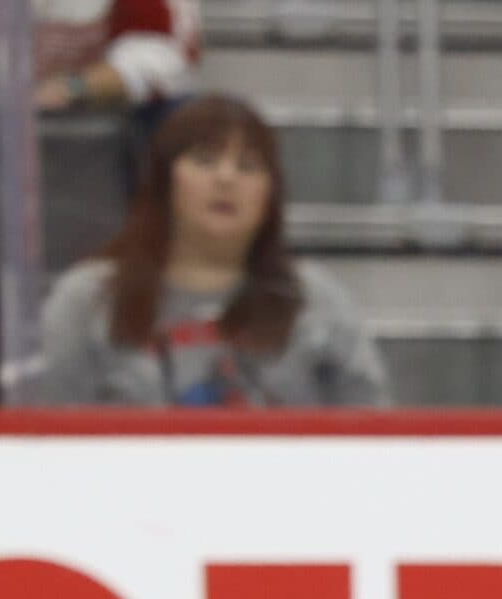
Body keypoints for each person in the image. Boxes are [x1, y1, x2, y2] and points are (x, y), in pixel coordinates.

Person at [31, 95, 388, 407]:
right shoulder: (87, 299)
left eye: (247, 166)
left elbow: (374, 437)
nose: (226, 179)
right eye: (204, 160)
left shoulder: (315, 298)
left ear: (271, 196)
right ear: (163, 181)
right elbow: (47, 441)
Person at [0, 0, 198, 113]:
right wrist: (0, 111)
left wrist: (72, 88)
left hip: (99, 138)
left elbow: (162, 56)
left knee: (186, 119)